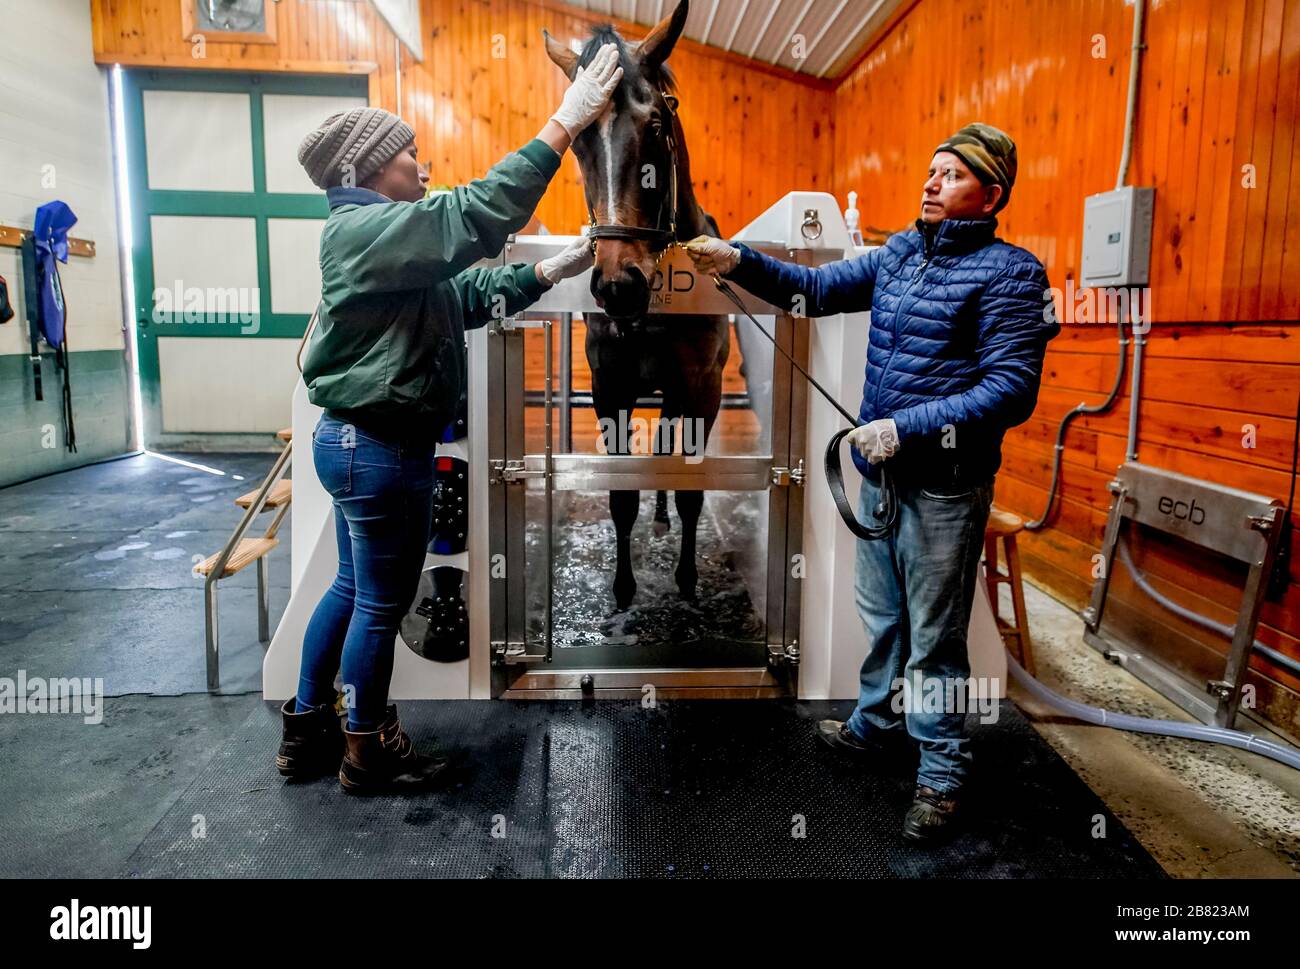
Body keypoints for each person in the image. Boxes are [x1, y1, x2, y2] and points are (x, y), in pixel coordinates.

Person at [685, 123, 1060, 843]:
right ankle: (876, 724)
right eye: (930, 170)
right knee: (884, 618)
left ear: (991, 193)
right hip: (879, 477)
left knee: (936, 638)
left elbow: (1011, 389)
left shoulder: (1013, 275)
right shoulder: (896, 254)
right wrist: (737, 260)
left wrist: (904, 428)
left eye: (950, 173)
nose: (930, 181)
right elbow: (814, 289)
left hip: (944, 485)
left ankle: (943, 773)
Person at [277, 45, 624, 794]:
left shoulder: (385, 244)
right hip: (380, 449)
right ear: (368, 171)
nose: (423, 169)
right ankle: (367, 748)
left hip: (351, 445)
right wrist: (564, 124)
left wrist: (544, 272)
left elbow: (462, 299)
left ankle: (307, 728)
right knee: (381, 603)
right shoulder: (366, 230)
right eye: (409, 157)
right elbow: (475, 213)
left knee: (348, 588)